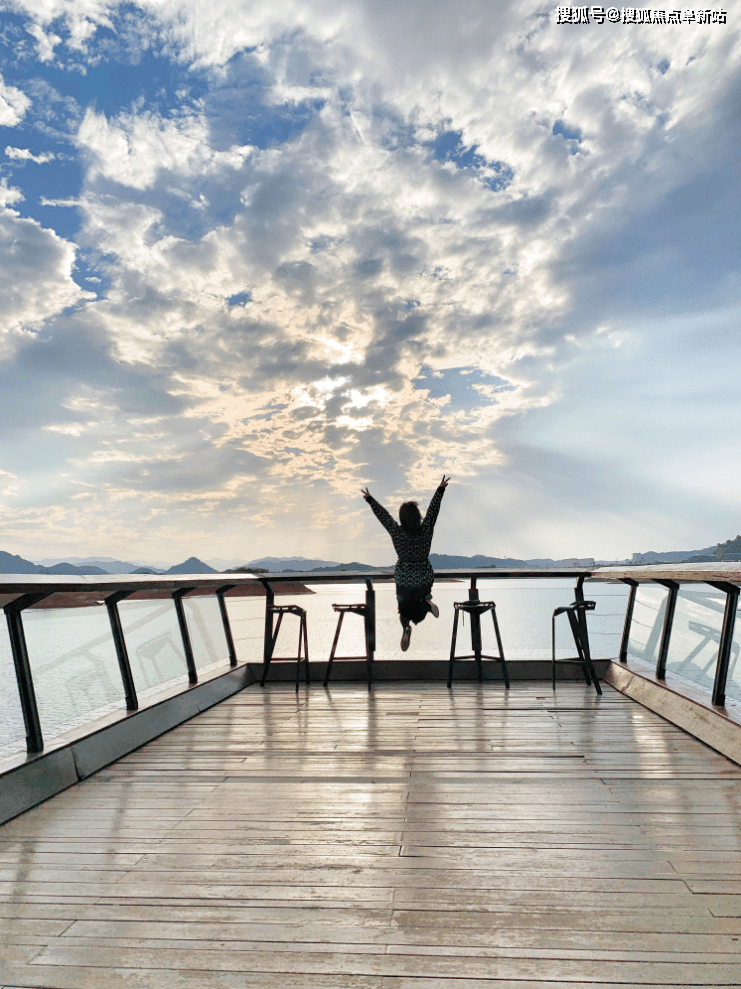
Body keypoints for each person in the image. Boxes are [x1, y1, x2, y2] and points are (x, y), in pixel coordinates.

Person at [361, 476, 450, 652]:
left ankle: (406, 627)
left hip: (404, 580)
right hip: (424, 576)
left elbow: (384, 517)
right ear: (418, 516)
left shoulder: (397, 532)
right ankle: (426, 601)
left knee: (404, 608)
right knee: (421, 598)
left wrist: (370, 500)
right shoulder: (426, 530)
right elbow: (433, 512)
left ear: (402, 518)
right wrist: (440, 490)